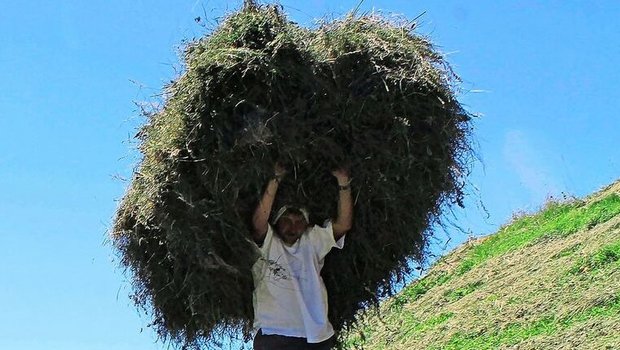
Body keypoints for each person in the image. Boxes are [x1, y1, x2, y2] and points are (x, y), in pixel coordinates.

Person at [250, 163, 353, 350]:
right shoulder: (268, 243)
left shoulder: (312, 241)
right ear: (277, 222)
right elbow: (258, 223)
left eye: (299, 222)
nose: (293, 227)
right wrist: (275, 179)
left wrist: (343, 182)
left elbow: (343, 225)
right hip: (274, 334)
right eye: (287, 221)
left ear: (306, 226)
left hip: (316, 335)